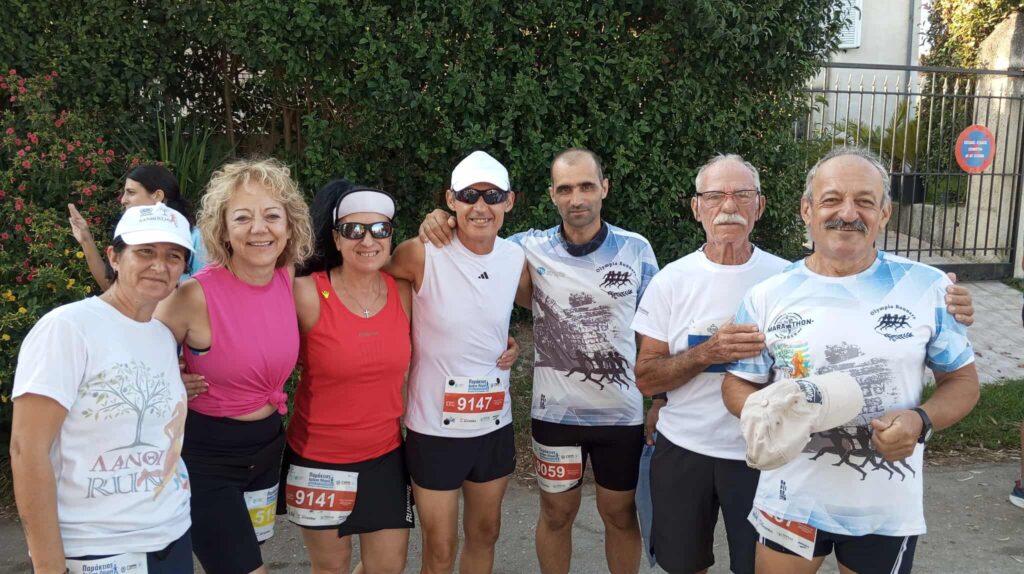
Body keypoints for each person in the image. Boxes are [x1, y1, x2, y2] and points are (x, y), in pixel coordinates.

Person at [632, 153, 978, 574]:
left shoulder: (928, 287)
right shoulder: (765, 292)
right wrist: (772, 408)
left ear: (885, 212)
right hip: (786, 493)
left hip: (881, 506)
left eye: (865, 201)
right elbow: (730, 384)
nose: (847, 213)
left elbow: (962, 380)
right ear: (807, 210)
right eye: (832, 199)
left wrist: (921, 420)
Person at [420, 148, 659, 574]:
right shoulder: (526, 248)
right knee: (556, 514)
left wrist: (659, 399)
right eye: (565, 189)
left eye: (586, 186)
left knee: (621, 515)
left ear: (604, 188)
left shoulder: (636, 248)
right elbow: (475, 244)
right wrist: (441, 220)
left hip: (619, 416)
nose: (576, 198)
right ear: (552, 195)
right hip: (555, 415)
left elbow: (655, 334)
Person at [11, 203, 195, 573]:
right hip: (97, 549)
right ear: (114, 257)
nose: (160, 266)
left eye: (173, 256)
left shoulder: (162, 336)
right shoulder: (67, 328)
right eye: (146, 251)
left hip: (172, 536)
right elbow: (26, 450)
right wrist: (49, 566)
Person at [155, 157, 313, 574]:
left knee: (243, 558)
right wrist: (169, 378)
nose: (259, 228)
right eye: (243, 217)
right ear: (223, 230)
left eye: (272, 216)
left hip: (267, 450)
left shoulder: (285, 276)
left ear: (289, 226)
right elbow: (135, 356)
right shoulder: (194, 295)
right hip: (208, 459)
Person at [387, 150, 528, 574]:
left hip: (493, 424)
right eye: (469, 195)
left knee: (486, 532)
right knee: (440, 549)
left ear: (509, 201)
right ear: (451, 199)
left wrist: (511, 342)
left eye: (492, 196)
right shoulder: (420, 253)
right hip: (435, 428)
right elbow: (369, 288)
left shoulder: (515, 258)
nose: (480, 206)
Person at [282, 181, 414, 574]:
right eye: (354, 230)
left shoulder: (403, 291)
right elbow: (251, 334)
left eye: (380, 230)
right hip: (318, 460)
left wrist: (502, 345)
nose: (368, 240)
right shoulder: (305, 292)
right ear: (337, 239)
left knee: (388, 567)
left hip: (385, 456)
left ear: (391, 237)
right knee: (331, 568)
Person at [69, 164, 206, 290]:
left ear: (158, 195)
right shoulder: (129, 235)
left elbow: (206, 292)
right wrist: (86, 241)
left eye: (131, 192)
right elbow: (113, 289)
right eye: (146, 251)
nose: (123, 200)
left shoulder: (194, 238)